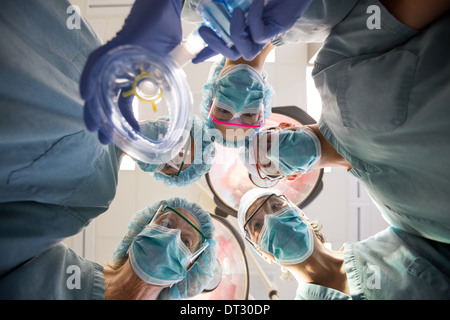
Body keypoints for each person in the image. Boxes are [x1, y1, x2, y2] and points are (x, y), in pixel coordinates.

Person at [0, 0, 217, 299]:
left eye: (178, 159)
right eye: (180, 139)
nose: (169, 235)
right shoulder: (105, 63)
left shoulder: (92, 196)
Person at [205, 0, 450, 244]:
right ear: (291, 177)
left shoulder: (335, 70)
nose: (277, 155)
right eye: (268, 165)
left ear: (284, 127)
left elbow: (409, 10)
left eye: (269, 145)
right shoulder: (400, 214)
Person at [237, 188, 450, 300]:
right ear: (264, 254)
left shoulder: (397, 241)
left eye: (275, 206)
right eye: (257, 225)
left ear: (300, 214)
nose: (272, 220)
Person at [0, 197, 217, 299]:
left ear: (189, 269)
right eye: (166, 223)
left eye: (186, 242)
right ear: (141, 230)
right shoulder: (56, 266)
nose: (171, 238)